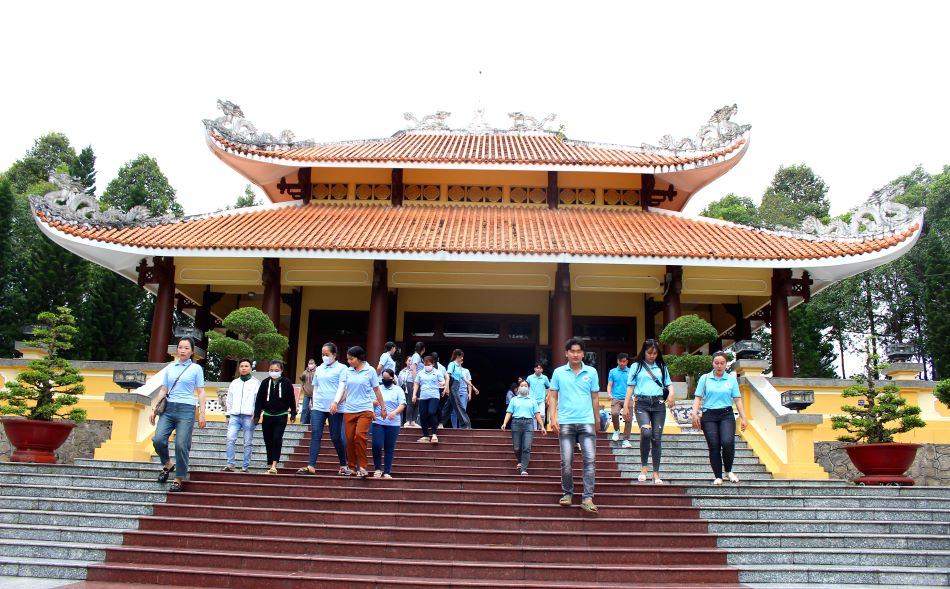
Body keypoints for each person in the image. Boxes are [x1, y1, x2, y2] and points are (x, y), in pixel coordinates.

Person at [549, 337, 600, 513]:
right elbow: (553, 396)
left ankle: (587, 497)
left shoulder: (592, 372)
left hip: (587, 421)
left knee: (590, 460)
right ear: (566, 353)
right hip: (566, 422)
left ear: (583, 354)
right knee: (566, 461)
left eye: (579, 351)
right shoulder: (558, 372)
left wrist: (597, 420)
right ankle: (567, 493)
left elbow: (595, 397)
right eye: (572, 351)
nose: (576, 354)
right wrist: (552, 417)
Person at [151, 337, 206, 492]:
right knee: (158, 439)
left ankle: (178, 477)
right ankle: (167, 464)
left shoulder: (196, 369)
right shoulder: (170, 368)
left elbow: (201, 391)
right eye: (180, 347)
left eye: (186, 348)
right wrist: (155, 410)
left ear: (192, 351)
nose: (183, 350)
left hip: (187, 409)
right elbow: (163, 389)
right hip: (168, 409)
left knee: (181, 444)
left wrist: (202, 413)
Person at [691, 351, 749, 485]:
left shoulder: (731, 379)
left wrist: (744, 417)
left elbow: (738, 399)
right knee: (714, 445)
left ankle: (728, 471)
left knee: (727, 442)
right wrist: (694, 414)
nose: (719, 366)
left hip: (726, 414)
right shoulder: (705, 378)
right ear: (712, 363)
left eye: (722, 363)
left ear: (726, 364)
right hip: (709, 415)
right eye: (716, 363)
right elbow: (698, 397)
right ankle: (718, 476)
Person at [623, 339, 674, 484]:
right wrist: (626, 406)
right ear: (643, 352)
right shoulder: (636, 367)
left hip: (658, 404)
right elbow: (630, 387)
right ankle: (644, 467)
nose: (652, 356)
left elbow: (669, 384)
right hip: (642, 403)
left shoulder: (662, 367)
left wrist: (671, 394)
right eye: (649, 353)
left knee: (656, 438)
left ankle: (656, 473)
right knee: (646, 433)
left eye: (655, 353)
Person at [333, 346, 387, 477]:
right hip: (349, 410)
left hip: (365, 410)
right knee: (349, 439)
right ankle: (352, 468)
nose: (349, 361)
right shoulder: (348, 371)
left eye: (351, 359)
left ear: (359, 358)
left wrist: (383, 407)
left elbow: (377, 390)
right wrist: (336, 402)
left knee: (359, 436)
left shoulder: (370, 370)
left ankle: (363, 467)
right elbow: (346, 391)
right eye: (347, 359)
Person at [296, 343, 349, 476]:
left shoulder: (342, 368)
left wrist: (335, 402)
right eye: (322, 354)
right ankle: (311, 465)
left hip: (335, 407)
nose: (324, 357)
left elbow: (342, 387)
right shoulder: (319, 368)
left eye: (327, 354)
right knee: (315, 434)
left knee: (336, 436)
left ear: (334, 355)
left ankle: (343, 464)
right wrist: (313, 403)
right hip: (318, 406)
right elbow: (316, 387)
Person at [254, 359, 297, 475]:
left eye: (276, 370)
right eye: (271, 370)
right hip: (267, 415)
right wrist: (257, 415)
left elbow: (291, 399)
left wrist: (293, 412)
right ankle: (270, 462)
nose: (273, 372)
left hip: (281, 415)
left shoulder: (287, 383)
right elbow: (259, 400)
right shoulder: (264, 383)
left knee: (277, 438)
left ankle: (274, 464)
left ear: (281, 370)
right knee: (268, 440)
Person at [501, 381, 546, 475]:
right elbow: (509, 412)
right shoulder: (514, 400)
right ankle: (520, 460)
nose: (524, 387)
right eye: (522, 386)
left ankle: (523, 469)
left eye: (526, 386)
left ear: (528, 388)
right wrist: (504, 423)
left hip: (529, 423)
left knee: (526, 447)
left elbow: (537, 413)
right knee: (517, 447)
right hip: (516, 423)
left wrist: (542, 426)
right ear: (518, 388)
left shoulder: (532, 400)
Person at [222, 358, 259, 473]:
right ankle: (230, 464)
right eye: (241, 366)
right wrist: (228, 415)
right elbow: (229, 400)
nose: (243, 368)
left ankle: (245, 466)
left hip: (249, 416)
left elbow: (258, 400)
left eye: (246, 366)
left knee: (248, 442)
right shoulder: (235, 383)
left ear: (250, 368)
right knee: (230, 438)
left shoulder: (255, 383)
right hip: (235, 416)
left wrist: (256, 414)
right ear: (239, 368)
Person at [372, 368, 406, 478]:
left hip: (393, 423)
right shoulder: (378, 389)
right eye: (383, 378)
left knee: (389, 447)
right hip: (378, 421)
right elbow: (370, 400)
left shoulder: (398, 390)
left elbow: (403, 404)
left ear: (392, 378)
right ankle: (377, 468)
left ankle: (387, 471)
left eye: (388, 378)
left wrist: (394, 413)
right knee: (376, 444)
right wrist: (373, 405)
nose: (385, 380)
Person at [412, 355, 445, 443]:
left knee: (431, 412)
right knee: (422, 415)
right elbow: (416, 384)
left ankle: (434, 434)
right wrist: (414, 395)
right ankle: (425, 435)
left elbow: (443, 381)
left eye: (428, 364)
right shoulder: (420, 373)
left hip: (434, 396)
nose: (427, 366)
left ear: (433, 364)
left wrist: (442, 383)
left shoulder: (437, 372)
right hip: (423, 396)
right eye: (425, 364)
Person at [445, 349, 476, 429]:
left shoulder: (458, 366)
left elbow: (464, 379)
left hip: (457, 386)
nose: (462, 358)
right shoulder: (452, 364)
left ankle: (440, 422)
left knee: (448, 407)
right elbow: (448, 376)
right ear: (458, 356)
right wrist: (447, 388)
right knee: (458, 407)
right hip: (453, 386)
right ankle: (465, 425)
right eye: (461, 357)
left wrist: (473, 387)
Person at [607, 353, 632, 447]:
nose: (622, 363)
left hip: (628, 398)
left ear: (627, 361)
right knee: (614, 414)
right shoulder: (612, 371)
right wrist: (609, 394)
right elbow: (610, 384)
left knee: (628, 419)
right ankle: (616, 431)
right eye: (620, 361)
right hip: (616, 398)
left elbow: (634, 385)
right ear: (617, 361)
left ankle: (626, 440)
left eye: (624, 361)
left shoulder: (631, 372)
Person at [525, 363, 550, 431]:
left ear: (542, 370)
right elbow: (525, 386)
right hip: (532, 400)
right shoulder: (530, 377)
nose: (539, 369)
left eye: (540, 368)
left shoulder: (545, 378)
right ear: (534, 369)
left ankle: (540, 428)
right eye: (537, 368)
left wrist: (547, 396)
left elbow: (549, 386)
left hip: (541, 400)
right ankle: (535, 430)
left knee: (542, 416)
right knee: (533, 416)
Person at [397, 356, 416, 427]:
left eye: (411, 361)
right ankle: (400, 423)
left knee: (410, 405)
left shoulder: (414, 371)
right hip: (402, 391)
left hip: (410, 391)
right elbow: (399, 382)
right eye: (409, 360)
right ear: (406, 362)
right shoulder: (402, 371)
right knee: (401, 406)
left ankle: (409, 421)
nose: (410, 362)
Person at [299, 358, 316, 426]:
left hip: (314, 394)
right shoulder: (305, 372)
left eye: (312, 363)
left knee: (314, 410)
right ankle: (302, 422)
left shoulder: (317, 371)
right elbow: (301, 378)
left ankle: (314, 423)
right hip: (306, 394)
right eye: (309, 363)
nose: (310, 365)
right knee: (304, 409)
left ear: (315, 364)